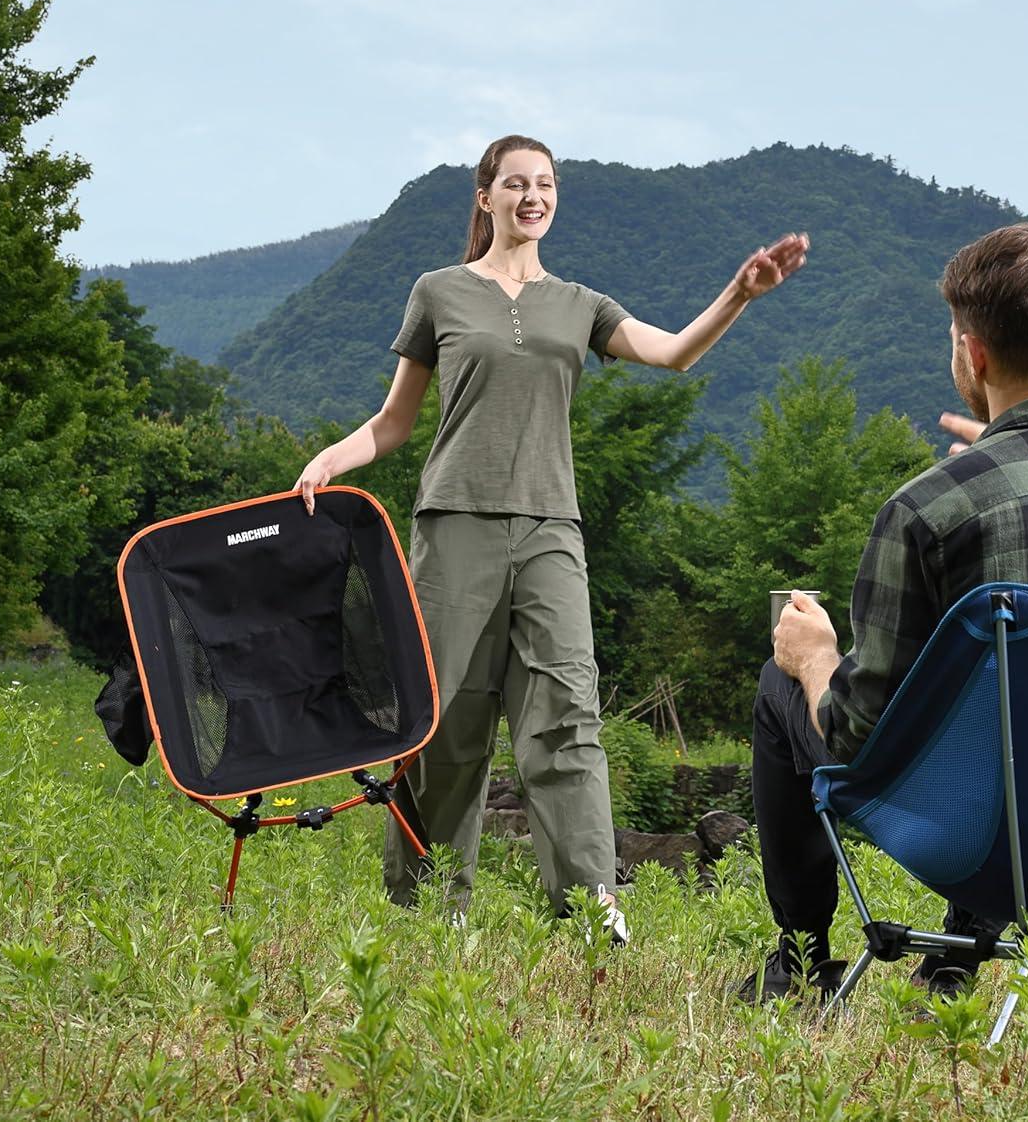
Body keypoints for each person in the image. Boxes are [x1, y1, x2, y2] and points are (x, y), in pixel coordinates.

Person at [294, 134, 808, 941]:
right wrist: (332, 457)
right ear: (485, 197)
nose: (532, 196)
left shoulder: (580, 303)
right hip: (455, 523)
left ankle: (588, 898)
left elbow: (672, 354)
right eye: (516, 184)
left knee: (567, 711)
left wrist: (741, 291)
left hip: (551, 530)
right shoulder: (439, 292)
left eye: (545, 184)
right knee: (444, 723)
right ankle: (429, 910)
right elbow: (395, 421)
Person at [735, 222, 1028, 1003]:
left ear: (974, 352)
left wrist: (815, 657)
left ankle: (799, 962)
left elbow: (857, 733)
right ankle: (957, 960)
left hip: (981, 838)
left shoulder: (931, 507)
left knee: (779, 680)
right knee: (1018, 716)